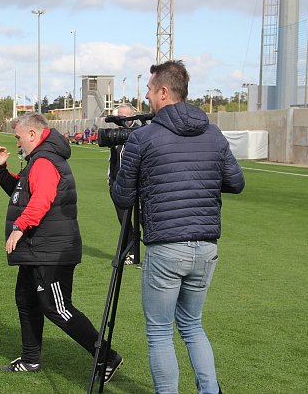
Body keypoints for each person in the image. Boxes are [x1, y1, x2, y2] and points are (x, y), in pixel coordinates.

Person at [112, 60, 245, 394]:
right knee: (191, 325)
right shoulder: (212, 132)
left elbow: (122, 196)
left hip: (167, 246)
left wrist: (120, 158)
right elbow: (235, 181)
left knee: (159, 333)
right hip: (206, 246)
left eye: (150, 89)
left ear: (165, 92)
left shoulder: (144, 137)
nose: (147, 95)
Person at [0, 112, 122, 381]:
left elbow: (42, 200)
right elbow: (21, 195)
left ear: (33, 135)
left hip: (52, 249)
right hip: (38, 246)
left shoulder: (44, 161)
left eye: (18, 137)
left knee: (57, 307)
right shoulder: (38, 160)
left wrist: (19, 227)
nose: (17, 143)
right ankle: (30, 359)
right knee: (26, 299)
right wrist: (0, 170)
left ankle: (107, 357)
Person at [108, 103, 137, 265]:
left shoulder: (141, 131)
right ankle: (130, 252)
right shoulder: (116, 134)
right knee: (124, 220)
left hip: (137, 186)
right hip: (118, 185)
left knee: (144, 220)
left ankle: (152, 253)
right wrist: (110, 181)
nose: (122, 119)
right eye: (120, 116)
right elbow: (112, 161)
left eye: (125, 116)